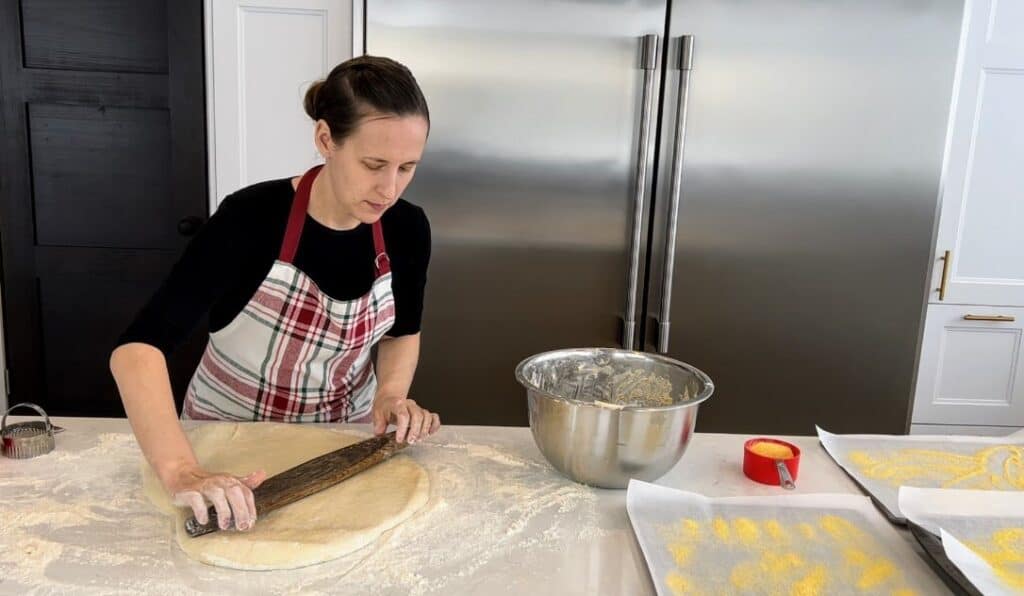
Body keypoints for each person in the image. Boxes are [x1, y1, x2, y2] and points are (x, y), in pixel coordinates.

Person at [111, 56, 440, 532]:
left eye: (407, 167)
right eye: (374, 165)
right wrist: (182, 469)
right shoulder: (250, 219)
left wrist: (389, 394)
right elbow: (138, 350)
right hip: (227, 448)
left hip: (340, 444)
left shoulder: (408, 228)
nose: (389, 188)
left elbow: (402, 331)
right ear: (326, 139)